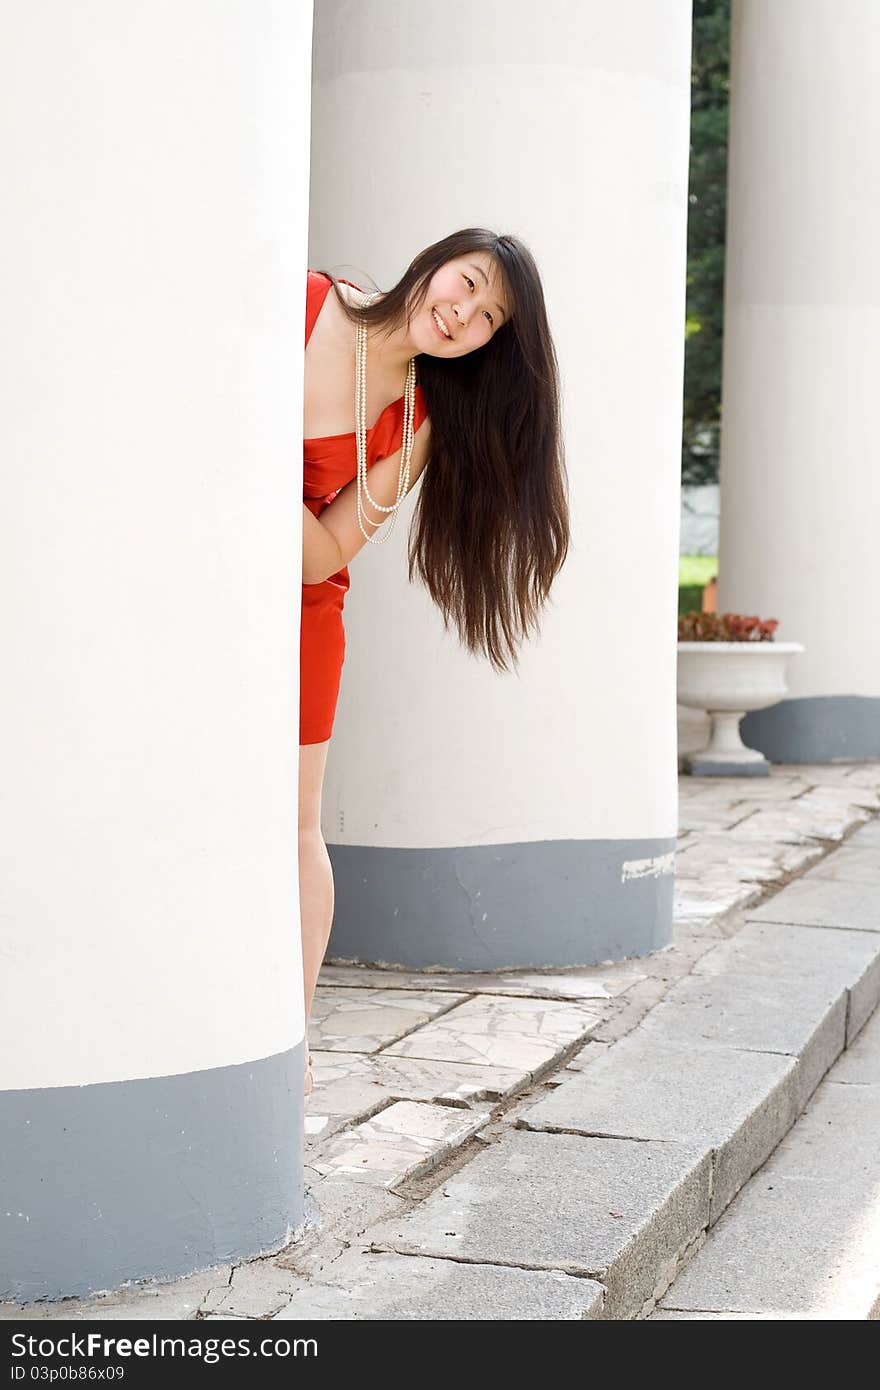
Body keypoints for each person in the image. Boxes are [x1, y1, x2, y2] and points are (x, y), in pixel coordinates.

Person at [299, 228, 570, 1098]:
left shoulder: (417, 420)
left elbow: (322, 553)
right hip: (194, 580)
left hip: (299, 610)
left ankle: (287, 1048)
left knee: (293, 829)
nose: (465, 313)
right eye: (469, 283)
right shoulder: (301, 301)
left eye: (490, 317)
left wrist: (243, 473)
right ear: (432, 261)